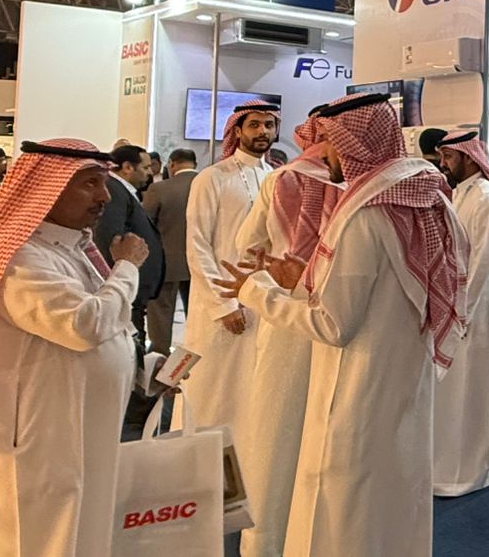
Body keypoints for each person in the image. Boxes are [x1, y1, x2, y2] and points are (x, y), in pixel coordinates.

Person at [217, 91, 469, 554]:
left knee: (343, 500)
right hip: (405, 375)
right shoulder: (429, 197)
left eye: (332, 142)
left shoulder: (364, 213)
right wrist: (303, 280)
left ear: (355, 144)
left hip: (357, 382)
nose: (326, 154)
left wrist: (255, 292)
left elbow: (334, 324)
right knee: (396, 490)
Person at [0, 139, 150, 557]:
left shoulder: (72, 248)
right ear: (47, 189)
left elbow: (109, 324)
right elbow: (83, 325)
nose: (104, 197)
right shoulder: (20, 259)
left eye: (104, 183)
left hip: (85, 426)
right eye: (90, 184)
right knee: (42, 535)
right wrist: (127, 267)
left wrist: (142, 367)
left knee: (86, 526)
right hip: (43, 434)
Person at [233, 109, 341, 557]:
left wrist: (273, 273)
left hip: (284, 315)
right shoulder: (360, 187)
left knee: (274, 430)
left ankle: (267, 538)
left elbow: (245, 245)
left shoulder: (281, 179)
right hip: (338, 320)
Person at [182, 100, 279, 437]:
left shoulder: (275, 177)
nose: (262, 131)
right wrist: (223, 304)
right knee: (213, 390)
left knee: (254, 388)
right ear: (237, 131)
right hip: (220, 304)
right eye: (254, 125)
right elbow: (197, 244)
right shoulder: (211, 178)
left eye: (269, 125)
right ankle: (200, 461)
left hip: (262, 301)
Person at [433, 130, 489, 496]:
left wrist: (462, 310)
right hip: (459, 303)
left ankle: (484, 464)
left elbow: (482, 260)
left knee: (480, 380)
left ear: (468, 157)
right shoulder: (460, 194)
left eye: (449, 157)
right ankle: (454, 461)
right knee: (459, 384)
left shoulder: (487, 197)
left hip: (479, 306)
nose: (443, 164)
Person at [94, 144, 166, 343]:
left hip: (132, 286)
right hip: (124, 288)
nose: (150, 172)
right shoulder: (114, 191)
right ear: (127, 167)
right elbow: (111, 239)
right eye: (145, 167)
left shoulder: (123, 191)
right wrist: (122, 278)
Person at [141, 148, 197, 354]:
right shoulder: (209, 185)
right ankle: (195, 356)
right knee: (197, 314)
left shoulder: (159, 189)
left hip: (165, 263)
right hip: (200, 263)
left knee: (161, 314)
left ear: (172, 164)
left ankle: (160, 357)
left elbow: (145, 224)